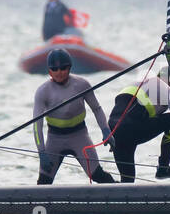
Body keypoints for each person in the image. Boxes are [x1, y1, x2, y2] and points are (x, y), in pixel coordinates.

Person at [32, 48, 115, 184]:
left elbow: (97, 109)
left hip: (79, 136)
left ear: (70, 68)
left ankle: (120, 196)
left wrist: (106, 131)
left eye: (63, 68)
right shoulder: (43, 91)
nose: (59, 72)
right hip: (54, 139)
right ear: (49, 71)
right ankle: (36, 206)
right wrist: (41, 152)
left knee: (97, 175)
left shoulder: (82, 84)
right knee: (43, 182)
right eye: (55, 69)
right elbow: (37, 125)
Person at [107, 66, 170, 182]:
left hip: (113, 130)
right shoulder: (163, 87)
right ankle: (163, 167)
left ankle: (106, 187)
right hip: (130, 127)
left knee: (127, 182)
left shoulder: (139, 84)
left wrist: (111, 135)